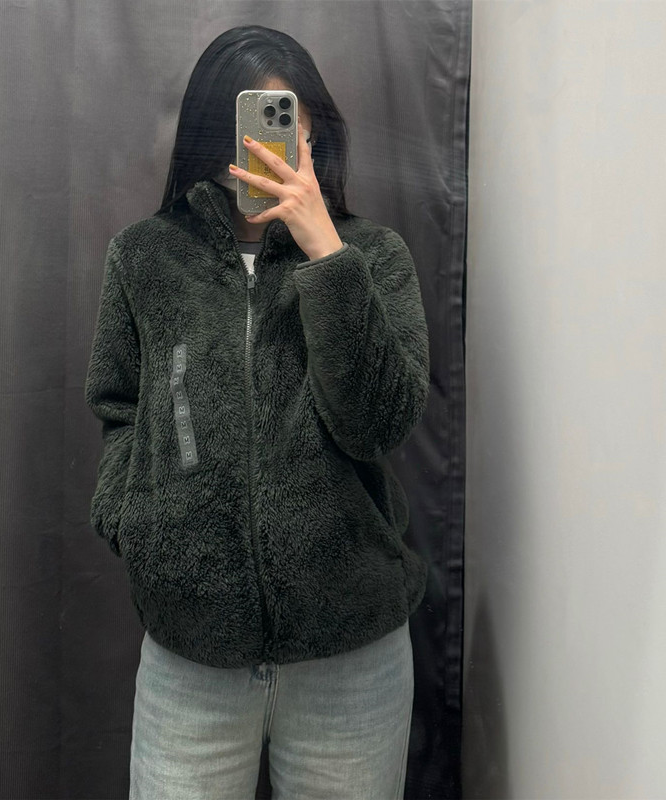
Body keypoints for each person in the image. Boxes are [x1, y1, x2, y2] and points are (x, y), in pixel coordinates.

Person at [85, 24, 430, 800]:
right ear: (214, 136)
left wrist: (326, 254)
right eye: (248, 126)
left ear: (313, 132)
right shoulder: (145, 257)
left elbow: (378, 424)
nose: (266, 149)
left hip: (351, 654)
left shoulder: (373, 258)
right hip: (192, 654)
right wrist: (132, 520)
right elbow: (118, 406)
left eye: (284, 124)